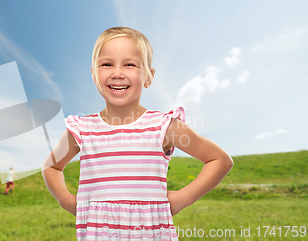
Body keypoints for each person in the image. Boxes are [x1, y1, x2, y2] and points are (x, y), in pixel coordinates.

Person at [42, 27, 233, 240]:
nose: (117, 73)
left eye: (129, 64)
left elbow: (220, 160)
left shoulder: (164, 127)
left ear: (149, 76)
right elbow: (51, 166)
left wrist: (182, 198)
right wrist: (66, 200)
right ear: (94, 74)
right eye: (106, 64)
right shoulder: (82, 130)